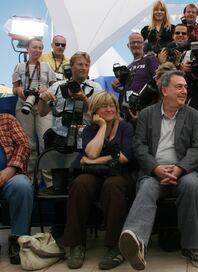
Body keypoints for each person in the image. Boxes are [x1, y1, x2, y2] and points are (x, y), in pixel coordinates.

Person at [119, 70, 198, 270]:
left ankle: (193, 247)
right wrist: (156, 168)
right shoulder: (147, 114)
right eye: (179, 87)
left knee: (192, 185)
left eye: (185, 87)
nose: (184, 91)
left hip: (184, 171)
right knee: (147, 189)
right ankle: (136, 243)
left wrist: (179, 169)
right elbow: (139, 146)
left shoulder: (193, 115)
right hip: (154, 171)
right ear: (164, 90)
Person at [62, 92, 135, 270]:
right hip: (97, 175)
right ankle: (76, 244)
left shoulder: (126, 128)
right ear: (95, 110)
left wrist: (92, 161)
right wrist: (102, 127)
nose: (109, 109)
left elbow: (124, 157)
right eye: (104, 106)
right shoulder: (90, 130)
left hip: (121, 175)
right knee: (80, 184)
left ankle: (115, 247)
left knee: (112, 186)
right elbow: (93, 151)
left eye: (112, 105)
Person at [38, 51, 103, 193]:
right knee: (59, 188)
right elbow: (42, 112)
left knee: (83, 187)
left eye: (87, 65)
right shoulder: (57, 87)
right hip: (59, 142)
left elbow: (101, 116)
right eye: (80, 64)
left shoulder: (96, 88)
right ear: (71, 66)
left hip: (85, 142)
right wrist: (43, 99)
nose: (84, 68)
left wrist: (84, 99)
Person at [12, 37, 56, 180]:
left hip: (42, 105)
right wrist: (19, 90)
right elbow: (14, 88)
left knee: (45, 142)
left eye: (40, 48)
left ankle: (49, 181)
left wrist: (46, 88)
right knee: (28, 143)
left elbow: (54, 87)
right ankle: (31, 179)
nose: (37, 50)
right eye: (34, 47)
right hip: (25, 105)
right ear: (27, 49)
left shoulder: (46, 66)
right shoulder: (19, 66)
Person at [0, 113, 32, 265]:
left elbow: (24, 145)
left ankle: (18, 240)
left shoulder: (7, 119)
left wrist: (10, 170)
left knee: (22, 186)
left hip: (10, 175)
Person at [112, 33, 159, 122]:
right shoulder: (128, 67)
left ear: (144, 44)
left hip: (146, 111)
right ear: (128, 46)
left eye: (139, 42)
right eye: (133, 42)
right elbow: (125, 88)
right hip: (128, 111)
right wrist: (116, 85)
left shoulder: (150, 59)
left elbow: (158, 81)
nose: (136, 45)